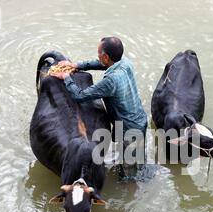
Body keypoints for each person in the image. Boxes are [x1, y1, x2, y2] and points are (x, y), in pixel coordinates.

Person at [50, 36, 148, 179]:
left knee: (129, 174)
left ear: (106, 57)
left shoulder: (111, 81)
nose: (98, 57)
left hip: (129, 129)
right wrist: (77, 65)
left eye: (99, 55)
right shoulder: (124, 62)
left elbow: (80, 95)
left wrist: (66, 77)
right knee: (137, 159)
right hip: (139, 119)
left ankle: (132, 190)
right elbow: (102, 64)